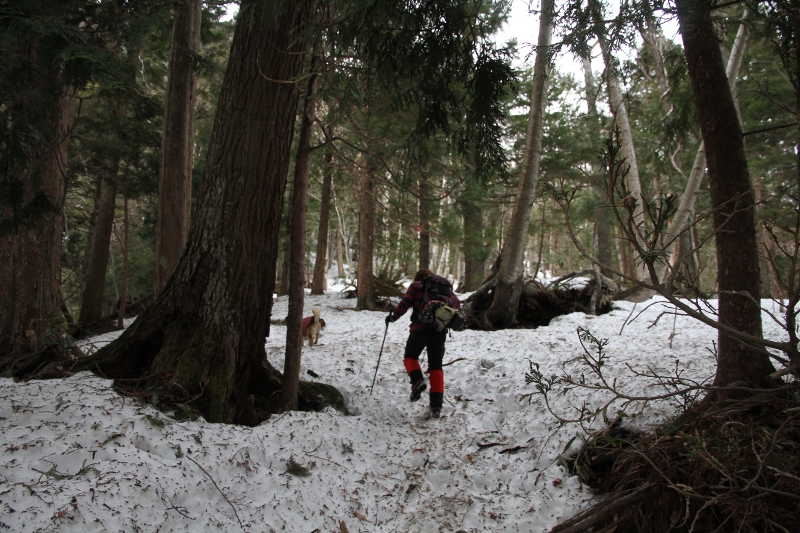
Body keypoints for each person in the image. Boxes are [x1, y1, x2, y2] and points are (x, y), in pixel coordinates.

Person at [385, 269, 460, 418]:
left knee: (410, 357)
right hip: (439, 332)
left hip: (419, 329)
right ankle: (436, 406)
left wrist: (393, 317)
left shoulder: (416, 286)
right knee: (436, 367)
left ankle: (417, 380)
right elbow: (456, 306)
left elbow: (404, 304)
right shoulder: (445, 290)